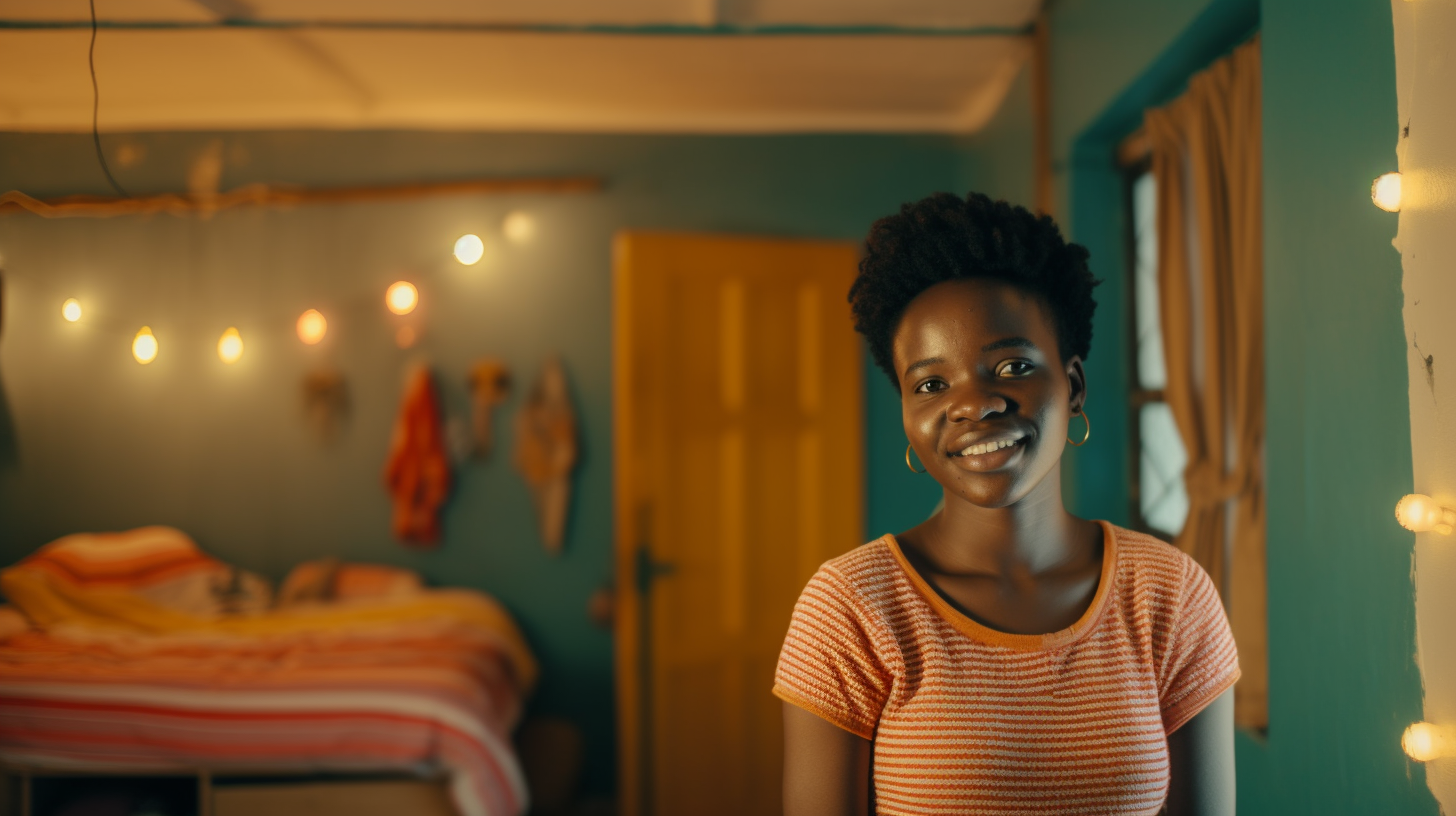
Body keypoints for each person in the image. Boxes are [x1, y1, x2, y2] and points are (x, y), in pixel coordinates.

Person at [774, 193, 1238, 816]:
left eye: (1013, 365)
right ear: (909, 417)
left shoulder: (1172, 595)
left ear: (1072, 387)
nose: (973, 404)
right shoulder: (852, 608)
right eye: (932, 384)